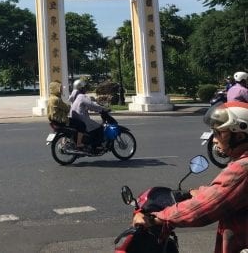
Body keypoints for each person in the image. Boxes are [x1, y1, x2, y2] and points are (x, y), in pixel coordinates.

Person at [133, 100, 248, 253]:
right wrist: (196, 192)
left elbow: (205, 208)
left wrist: (155, 218)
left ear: (239, 136)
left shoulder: (243, 168)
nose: (214, 139)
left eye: (219, 133)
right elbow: (225, 193)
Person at [68, 80, 108, 150]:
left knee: (93, 126)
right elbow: (91, 104)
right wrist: (102, 109)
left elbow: (87, 106)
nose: (86, 89)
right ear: (81, 88)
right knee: (99, 128)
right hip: (82, 118)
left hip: (76, 117)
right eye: (84, 87)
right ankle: (96, 145)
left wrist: (96, 108)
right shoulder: (81, 96)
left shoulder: (74, 96)